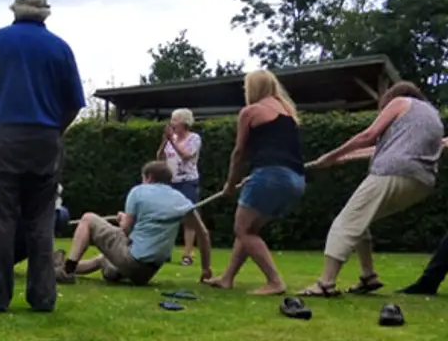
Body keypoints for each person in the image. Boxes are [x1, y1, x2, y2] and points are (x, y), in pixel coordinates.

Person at [0, 0, 86, 313]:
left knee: (2, 222)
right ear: (45, 13)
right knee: (40, 223)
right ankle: (43, 297)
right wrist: (54, 131)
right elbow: (74, 104)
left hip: (4, 140)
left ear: (15, 10)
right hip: (45, 143)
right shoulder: (60, 48)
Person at [298, 82, 441, 297]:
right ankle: (368, 277)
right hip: (421, 183)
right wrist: (340, 158)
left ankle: (325, 283)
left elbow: (369, 135)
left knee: (346, 222)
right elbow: (378, 148)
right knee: (361, 221)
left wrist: (331, 155)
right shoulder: (432, 117)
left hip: (392, 171)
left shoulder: (400, 102)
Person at [203, 70, 306, 295]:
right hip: (296, 179)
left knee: (242, 229)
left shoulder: (250, 112)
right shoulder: (288, 113)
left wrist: (230, 184)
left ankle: (275, 281)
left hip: (270, 176)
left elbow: (239, 152)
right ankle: (227, 278)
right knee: (250, 229)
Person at [55, 161, 194, 286]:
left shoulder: (139, 191)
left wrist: (123, 220)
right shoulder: (181, 199)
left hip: (132, 262)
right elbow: (204, 234)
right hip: (146, 273)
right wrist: (206, 270)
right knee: (103, 258)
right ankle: (62, 265)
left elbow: (126, 230)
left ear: (149, 177)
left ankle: (66, 271)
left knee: (88, 219)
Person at [160, 108, 214, 275]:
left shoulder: (194, 138)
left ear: (184, 123)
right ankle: (165, 251)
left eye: (174, 120)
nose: (171, 124)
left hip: (187, 182)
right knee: (168, 217)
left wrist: (173, 143)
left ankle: (188, 254)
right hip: (171, 181)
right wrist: (164, 141)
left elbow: (186, 155)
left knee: (189, 219)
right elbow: (160, 157)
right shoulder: (171, 138)